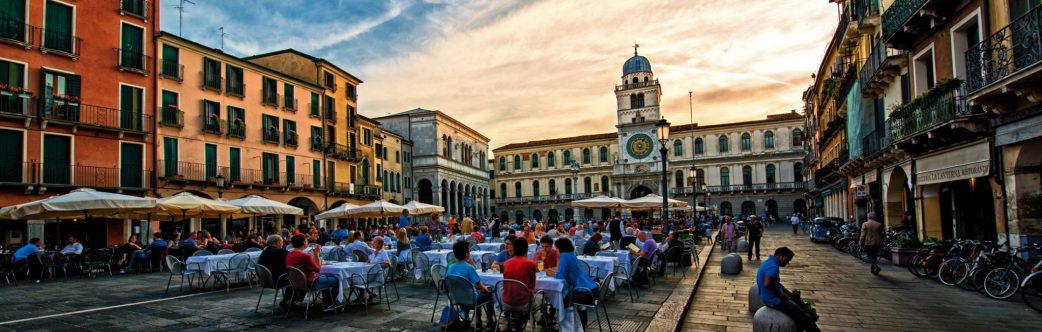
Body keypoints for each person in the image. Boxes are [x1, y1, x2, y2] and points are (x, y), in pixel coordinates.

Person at [757, 247, 820, 332]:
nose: (787, 262)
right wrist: (781, 295)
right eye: (787, 259)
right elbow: (768, 284)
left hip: (767, 298)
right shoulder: (773, 267)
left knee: (798, 306)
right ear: (780, 256)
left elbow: (776, 284)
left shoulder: (768, 263)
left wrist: (790, 294)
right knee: (806, 318)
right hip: (775, 301)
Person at [446, 240, 494, 330]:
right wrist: (488, 290)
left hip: (455, 298)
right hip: (471, 299)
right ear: (467, 254)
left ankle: (476, 319)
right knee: (487, 293)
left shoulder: (450, 268)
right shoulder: (469, 268)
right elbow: (481, 287)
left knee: (477, 292)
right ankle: (489, 320)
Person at [555, 238, 598, 327]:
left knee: (559, 298)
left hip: (583, 292)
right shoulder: (572, 254)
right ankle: (582, 322)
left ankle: (568, 325)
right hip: (592, 289)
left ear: (560, 247)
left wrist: (553, 274)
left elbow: (561, 276)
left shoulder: (564, 255)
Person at [285, 234, 338, 306]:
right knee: (337, 280)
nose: (307, 242)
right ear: (304, 242)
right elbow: (318, 269)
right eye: (306, 240)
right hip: (310, 284)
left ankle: (327, 301)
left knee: (325, 278)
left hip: (296, 283)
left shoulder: (289, 254)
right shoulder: (305, 256)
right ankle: (329, 303)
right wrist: (316, 254)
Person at [503, 237, 539, 330]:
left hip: (507, 302)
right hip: (524, 304)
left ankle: (519, 320)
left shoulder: (506, 263)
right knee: (542, 297)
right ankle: (543, 319)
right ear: (526, 249)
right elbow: (532, 286)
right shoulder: (530, 264)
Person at [258, 235, 291, 308]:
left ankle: (288, 300)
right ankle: (288, 301)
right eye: (282, 242)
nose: (282, 244)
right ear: (277, 242)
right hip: (277, 280)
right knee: (298, 279)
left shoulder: (264, 252)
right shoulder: (281, 251)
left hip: (265, 281)